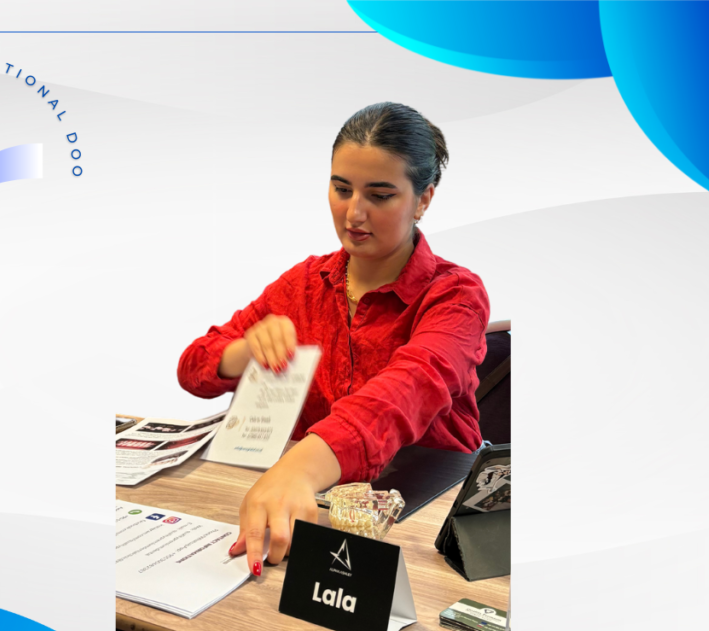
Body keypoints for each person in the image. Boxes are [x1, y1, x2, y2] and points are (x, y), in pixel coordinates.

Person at [177, 102, 490, 577]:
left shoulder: (455, 295)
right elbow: (192, 368)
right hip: (319, 510)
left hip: (430, 524)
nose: (354, 213)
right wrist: (243, 352)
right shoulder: (304, 285)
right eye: (342, 189)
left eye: (379, 195)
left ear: (423, 199)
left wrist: (299, 467)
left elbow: (407, 390)